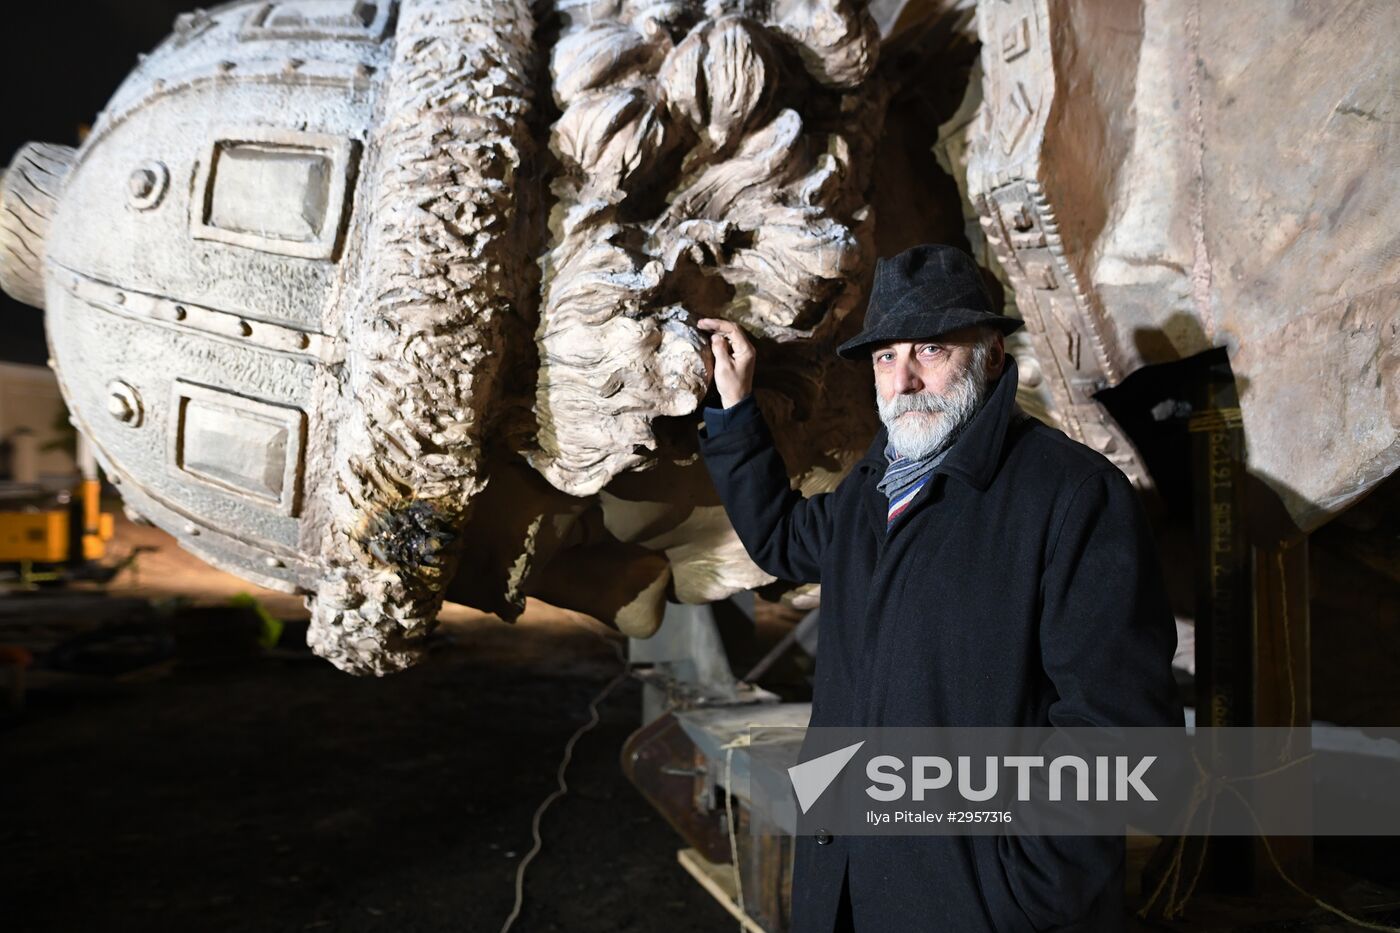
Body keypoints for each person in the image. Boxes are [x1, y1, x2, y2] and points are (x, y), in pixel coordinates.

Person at [695, 244, 1183, 932]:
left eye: (929, 349)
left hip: (972, 904)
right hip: (844, 887)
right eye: (885, 357)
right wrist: (738, 408)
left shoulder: (1070, 496)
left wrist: (1024, 895)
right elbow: (780, 539)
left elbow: (1117, 734)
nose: (904, 380)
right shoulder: (875, 491)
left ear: (988, 350)